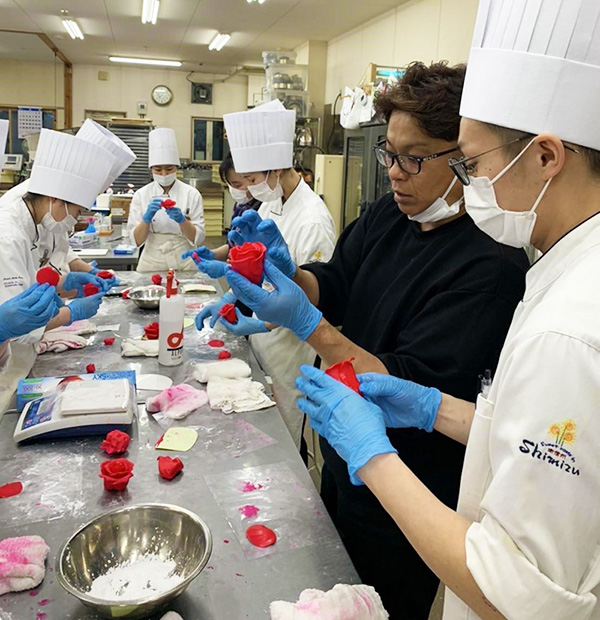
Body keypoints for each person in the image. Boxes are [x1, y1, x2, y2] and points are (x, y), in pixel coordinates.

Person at [293, 1, 600, 619]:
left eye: (473, 163)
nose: (469, 180)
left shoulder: (566, 329)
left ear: (546, 156)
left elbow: (515, 593)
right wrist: (441, 410)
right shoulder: (562, 264)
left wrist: (374, 457)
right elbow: (527, 430)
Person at [216, 63, 530, 618]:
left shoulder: (490, 263)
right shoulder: (393, 212)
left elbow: (403, 378)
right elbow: (338, 280)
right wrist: (295, 279)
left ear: (464, 159)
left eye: (414, 157)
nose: (395, 173)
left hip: (403, 486)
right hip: (341, 453)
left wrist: (307, 322)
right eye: (388, 153)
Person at [188, 99, 337, 449]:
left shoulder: (313, 220)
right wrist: (229, 295)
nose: (249, 188)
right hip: (262, 346)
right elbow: (254, 267)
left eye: (253, 179)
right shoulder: (271, 203)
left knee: (279, 442)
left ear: (278, 168)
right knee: (253, 432)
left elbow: (310, 302)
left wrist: (257, 322)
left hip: (290, 353)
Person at [0, 129, 114, 350]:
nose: (75, 220)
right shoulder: (8, 235)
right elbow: (19, 323)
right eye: (77, 212)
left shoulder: (38, 214)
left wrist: (67, 283)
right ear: (55, 198)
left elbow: (31, 277)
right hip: (11, 354)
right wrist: (71, 313)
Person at [126, 128, 205, 272]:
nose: (164, 174)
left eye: (169, 169)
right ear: (151, 170)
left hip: (184, 258)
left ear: (177, 167)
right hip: (152, 258)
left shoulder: (191, 194)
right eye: (158, 170)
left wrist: (182, 221)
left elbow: (197, 239)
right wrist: (146, 219)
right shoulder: (141, 194)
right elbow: (136, 241)